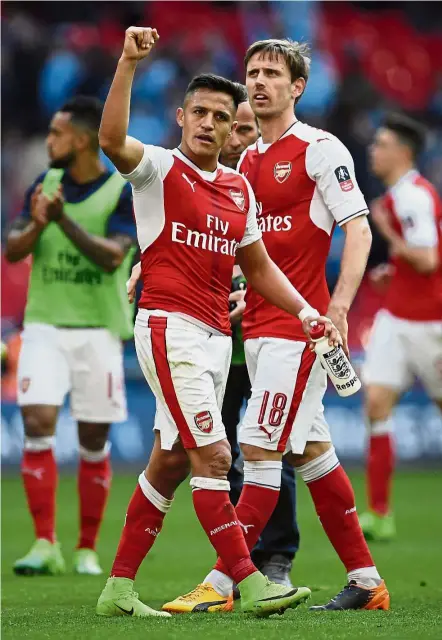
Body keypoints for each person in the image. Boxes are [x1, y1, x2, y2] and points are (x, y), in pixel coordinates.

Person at [95, 26, 339, 619]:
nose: (207, 123)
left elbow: (257, 268)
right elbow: (110, 139)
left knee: (172, 460)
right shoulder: (156, 168)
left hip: (213, 340)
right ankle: (251, 582)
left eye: (219, 117)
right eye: (198, 112)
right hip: (168, 329)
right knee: (217, 458)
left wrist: (306, 310)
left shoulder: (236, 189)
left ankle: (117, 589)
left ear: (235, 128)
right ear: (180, 117)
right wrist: (128, 62)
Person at [167, 38, 390, 612]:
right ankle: (367, 582)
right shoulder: (246, 162)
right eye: (253, 72)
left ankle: (221, 585)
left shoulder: (320, 149)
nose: (259, 81)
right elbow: (251, 253)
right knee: (313, 453)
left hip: (302, 334)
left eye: (272, 73)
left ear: (297, 88)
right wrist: (239, 292)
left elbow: (359, 231)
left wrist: (337, 308)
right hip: (259, 331)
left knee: (259, 451)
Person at [5, 96, 137, 577]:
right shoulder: (45, 185)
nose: (48, 142)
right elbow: (14, 248)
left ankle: (85, 548)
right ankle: (45, 543)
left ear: (81, 140)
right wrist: (39, 219)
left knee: (93, 438)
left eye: (56, 134)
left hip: (99, 331)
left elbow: (111, 256)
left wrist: (61, 220)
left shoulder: (121, 192)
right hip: (43, 325)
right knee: (38, 421)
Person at [220, 99, 300, 588]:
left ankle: (277, 556)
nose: (243, 138)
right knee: (219, 455)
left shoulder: (274, 190)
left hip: (268, 336)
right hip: (217, 347)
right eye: (238, 129)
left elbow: (283, 262)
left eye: (251, 129)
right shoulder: (202, 186)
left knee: (270, 450)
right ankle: (237, 557)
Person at [360, 113, 442, 541]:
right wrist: (394, 272)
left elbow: (428, 259)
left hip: (432, 324)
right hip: (397, 316)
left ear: (403, 153)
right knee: (376, 403)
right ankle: (379, 513)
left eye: (381, 143)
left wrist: (387, 230)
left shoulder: (411, 198)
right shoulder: (403, 194)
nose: (374, 150)